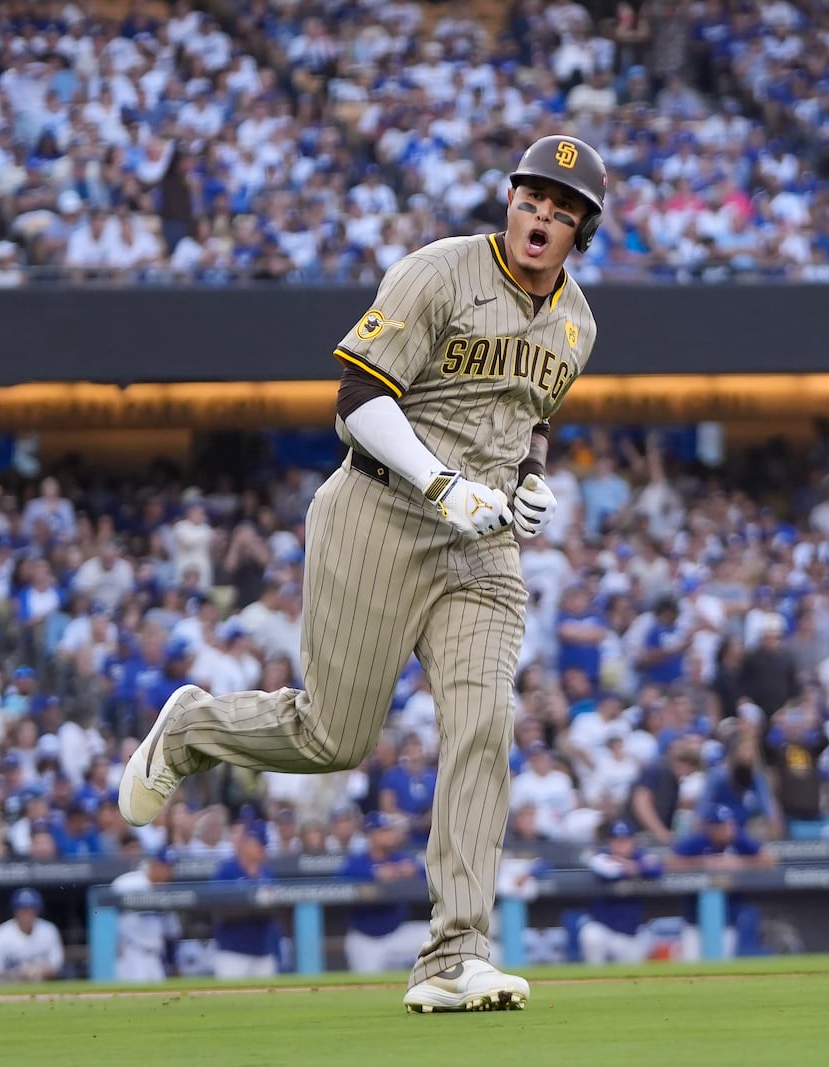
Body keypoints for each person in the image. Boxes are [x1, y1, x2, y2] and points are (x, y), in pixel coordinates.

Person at [119, 135, 607, 1014]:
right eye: (533, 198)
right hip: (381, 511)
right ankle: (191, 729)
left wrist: (531, 484)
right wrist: (439, 481)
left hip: (483, 547)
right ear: (509, 200)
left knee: (483, 726)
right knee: (332, 739)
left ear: (582, 231)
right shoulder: (438, 271)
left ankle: (456, 952)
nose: (543, 216)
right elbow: (355, 400)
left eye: (563, 209)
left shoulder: (579, 322)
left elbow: (532, 418)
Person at [667, 804, 772, 961]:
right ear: (711, 827)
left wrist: (739, 862)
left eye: (729, 824)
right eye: (722, 826)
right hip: (695, 918)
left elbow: (769, 860)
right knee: (691, 964)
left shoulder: (738, 838)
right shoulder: (699, 840)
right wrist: (705, 863)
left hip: (728, 917)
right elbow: (670, 862)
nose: (727, 829)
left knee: (721, 965)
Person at [338, 812, 429, 974]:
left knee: (437, 936)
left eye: (390, 830)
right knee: (366, 989)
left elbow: (423, 872)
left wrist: (411, 870)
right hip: (365, 939)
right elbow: (343, 876)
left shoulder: (399, 859)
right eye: (384, 831)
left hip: (397, 933)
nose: (391, 835)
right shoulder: (358, 861)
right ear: (371, 835)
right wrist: (375, 873)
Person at [578, 820, 664, 964]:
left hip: (629, 934)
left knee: (632, 975)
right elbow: (607, 871)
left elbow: (656, 869)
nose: (621, 845)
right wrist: (634, 868)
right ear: (610, 842)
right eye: (617, 841)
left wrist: (629, 865)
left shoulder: (641, 855)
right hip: (603, 928)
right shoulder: (601, 856)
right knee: (591, 935)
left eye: (625, 840)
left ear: (632, 841)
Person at [210, 825, 281, 978]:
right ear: (245, 843)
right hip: (232, 952)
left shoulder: (266, 872)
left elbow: (276, 907)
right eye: (258, 844)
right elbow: (217, 907)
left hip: (263, 950)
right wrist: (251, 909)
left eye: (264, 845)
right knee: (230, 1001)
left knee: (268, 1001)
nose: (262, 849)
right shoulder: (227, 870)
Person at [110, 846, 182, 981]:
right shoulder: (127, 883)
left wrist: (173, 961)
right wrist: (114, 943)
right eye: (165, 866)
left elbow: (172, 931)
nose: (168, 872)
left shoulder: (166, 891)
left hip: (155, 956)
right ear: (154, 864)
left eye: (171, 867)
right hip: (131, 952)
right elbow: (108, 916)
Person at [0, 887, 65, 983]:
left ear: (38, 910)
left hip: (41, 984)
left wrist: (40, 971)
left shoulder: (48, 930)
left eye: (31, 909)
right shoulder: (0, 934)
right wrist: (17, 974)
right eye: (23, 910)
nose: (27, 914)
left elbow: (57, 966)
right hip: (9, 987)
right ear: (15, 911)